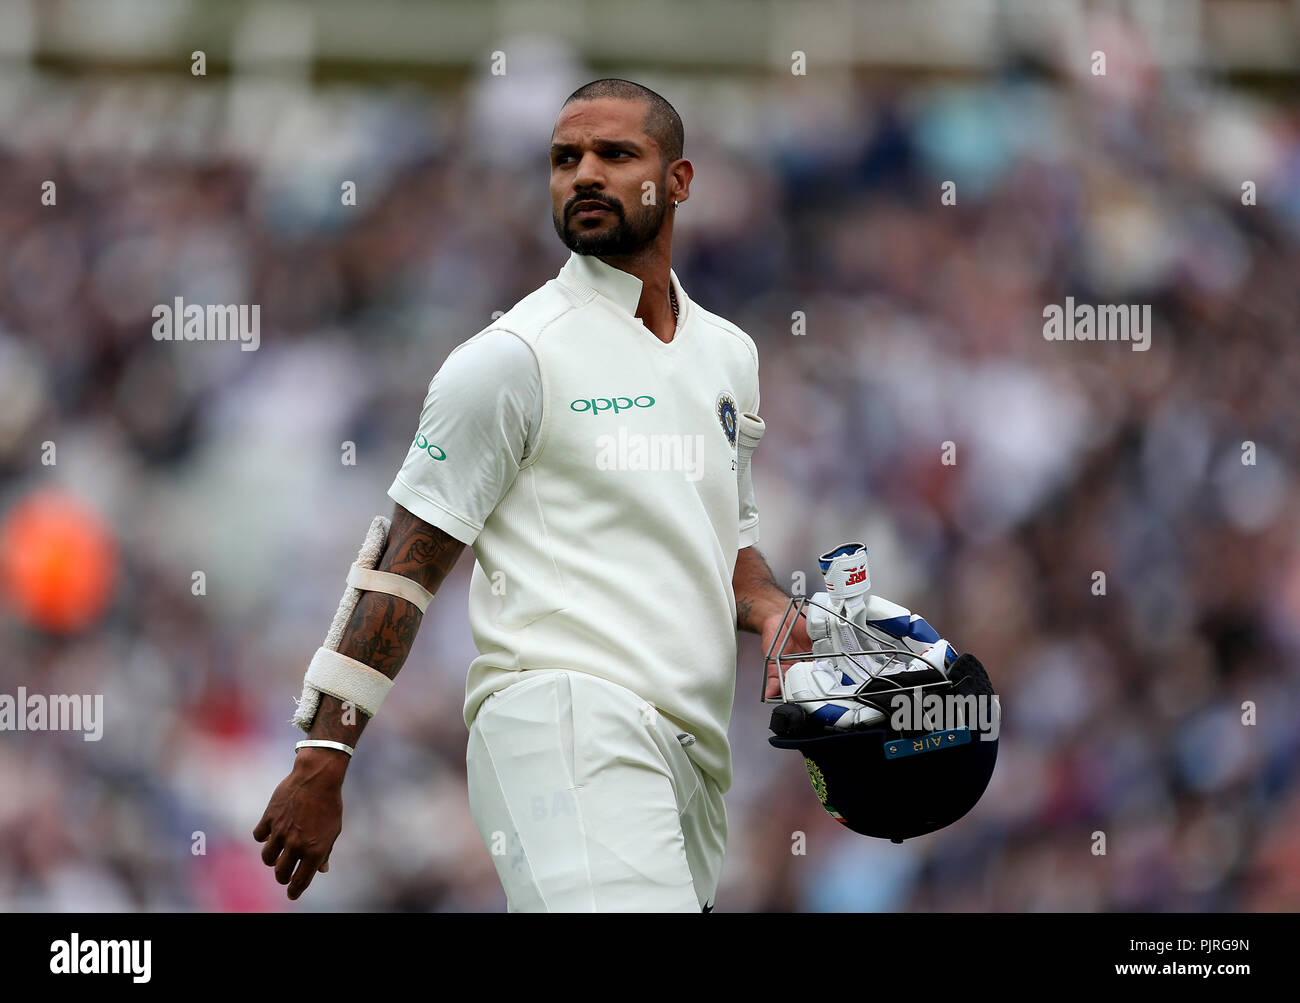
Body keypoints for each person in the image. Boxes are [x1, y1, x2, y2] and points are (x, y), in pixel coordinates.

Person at [254, 78, 810, 912]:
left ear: (681, 181)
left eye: (616, 154)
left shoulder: (729, 356)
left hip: (692, 754)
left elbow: (725, 543)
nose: (584, 174)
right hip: (561, 717)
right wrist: (323, 754)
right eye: (564, 159)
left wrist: (771, 610)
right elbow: (402, 565)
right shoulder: (512, 355)